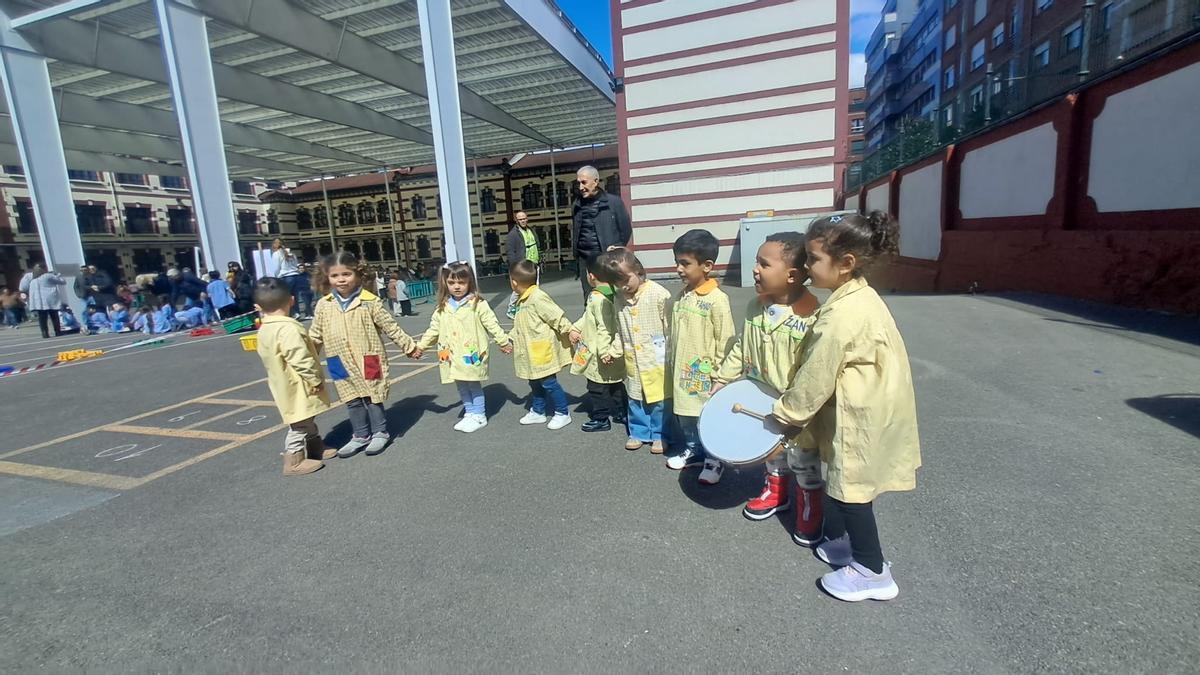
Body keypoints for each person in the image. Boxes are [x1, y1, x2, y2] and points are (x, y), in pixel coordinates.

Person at [771, 212, 921, 602]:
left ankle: (872, 570)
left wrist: (785, 415)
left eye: (814, 259)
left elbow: (817, 375)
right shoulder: (858, 295)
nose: (806, 266)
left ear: (846, 263)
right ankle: (845, 544)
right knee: (847, 482)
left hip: (862, 414)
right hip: (873, 406)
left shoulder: (843, 314)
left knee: (850, 490)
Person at [710, 233, 824, 539]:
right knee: (771, 454)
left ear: (792, 275)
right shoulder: (754, 306)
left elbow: (816, 369)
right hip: (761, 399)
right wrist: (723, 379)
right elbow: (740, 347)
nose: (755, 269)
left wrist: (798, 408)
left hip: (797, 409)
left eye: (764, 263)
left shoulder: (813, 316)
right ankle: (776, 492)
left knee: (803, 459)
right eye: (756, 262)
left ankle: (810, 506)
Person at [309, 251, 419, 458]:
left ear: (358, 274)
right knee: (351, 398)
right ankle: (360, 435)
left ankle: (380, 432)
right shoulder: (324, 304)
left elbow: (390, 327)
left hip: (369, 357)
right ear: (327, 277)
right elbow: (315, 334)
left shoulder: (369, 301)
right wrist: (306, 359)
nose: (341, 280)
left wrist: (409, 346)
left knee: (372, 395)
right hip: (337, 360)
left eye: (346, 274)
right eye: (335, 276)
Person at [664, 230, 736, 485]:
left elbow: (726, 340)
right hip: (682, 371)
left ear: (707, 266)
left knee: (706, 417)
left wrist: (720, 374)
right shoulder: (682, 295)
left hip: (704, 373)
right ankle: (694, 450)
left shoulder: (717, 300)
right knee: (686, 416)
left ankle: (714, 459)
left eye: (685, 263)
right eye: (677, 262)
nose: (679, 268)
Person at [412, 261, 512, 433]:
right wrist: (420, 346)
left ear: (470, 282)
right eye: (451, 283)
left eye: (461, 282)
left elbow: (492, 324)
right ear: (445, 283)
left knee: (473, 384)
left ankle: (479, 415)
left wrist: (503, 341)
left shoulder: (477, 304)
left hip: (470, 352)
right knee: (461, 384)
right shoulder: (442, 307)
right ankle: (470, 412)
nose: (457, 286)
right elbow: (433, 330)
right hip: (451, 354)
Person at [253, 277, 338, 476]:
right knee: (300, 423)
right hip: (298, 383)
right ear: (291, 300)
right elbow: (300, 357)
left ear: (258, 306)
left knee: (305, 418)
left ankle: (316, 447)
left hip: (283, 382)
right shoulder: (288, 328)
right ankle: (293, 460)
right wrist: (314, 378)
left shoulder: (265, 328)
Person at [600, 249, 672, 453]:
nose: (623, 287)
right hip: (634, 360)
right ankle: (639, 432)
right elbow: (620, 331)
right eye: (617, 283)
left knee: (659, 400)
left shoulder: (658, 294)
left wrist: (673, 352)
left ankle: (660, 434)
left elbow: (670, 327)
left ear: (638, 271)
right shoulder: (619, 299)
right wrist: (613, 351)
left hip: (655, 359)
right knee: (635, 399)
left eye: (626, 280)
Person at [508, 260, 575, 430]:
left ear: (514, 282)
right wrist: (510, 338)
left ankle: (562, 412)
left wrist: (569, 330)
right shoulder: (522, 300)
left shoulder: (537, 297)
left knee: (549, 382)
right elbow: (520, 324)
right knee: (534, 382)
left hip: (541, 350)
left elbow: (556, 316)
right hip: (529, 351)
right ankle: (538, 411)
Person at [567, 257, 626, 433]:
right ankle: (622, 412)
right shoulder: (608, 294)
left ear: (591, 276)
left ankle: (601, 418)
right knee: (615, 384)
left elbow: (604, 327)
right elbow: (588, 317)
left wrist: (603, 352)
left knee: (596, 387)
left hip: (600, 352)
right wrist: (575, 328)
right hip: (606, 350)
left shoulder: (599, 298)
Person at [571, 166, 632, 299]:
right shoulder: (577, 204)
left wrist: (615, 250)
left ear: (596, 181)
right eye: (578, 183)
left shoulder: (613, 202)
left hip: (606, 258)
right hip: (585, 260)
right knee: (590, 298)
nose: (580, 187)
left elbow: (626, 230)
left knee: (612, 297)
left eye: (584, 182)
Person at [19, 263, 67, 339]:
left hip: (38, 302)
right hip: (50, 300)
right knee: (54, 316)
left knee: (42, 318)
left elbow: (23, 287)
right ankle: (57, 331)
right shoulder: (48, 276)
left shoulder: (29, 276)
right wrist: (57, 275)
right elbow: (62, 281)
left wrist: (26, 292)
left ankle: (45, 333)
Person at [270, 239, 302, 313]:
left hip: (285, 276)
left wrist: (275, 277)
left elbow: (276, 267)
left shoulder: (277, 254)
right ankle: (296, 312)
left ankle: (290, 313)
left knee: (285, 297)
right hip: (295, 276)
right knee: (294, 296)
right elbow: (296, 264)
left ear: (275, 245)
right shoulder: (292, 253)